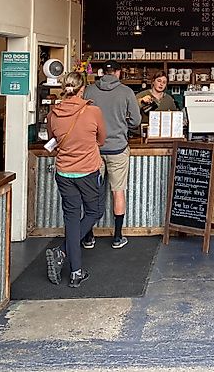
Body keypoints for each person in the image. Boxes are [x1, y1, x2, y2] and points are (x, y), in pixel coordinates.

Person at [45, 71, 106, 288]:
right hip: (88, 171)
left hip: (64, 172)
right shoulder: (93, 111)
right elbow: (102, 138)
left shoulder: (53, 114)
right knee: (94, 211)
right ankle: (62, 252)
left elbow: (52, 138)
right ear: (83, 89)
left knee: (71, 219)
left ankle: (76, 272)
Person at [83, 60, 142, 249]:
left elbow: (82, 115)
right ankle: (117, 237)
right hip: (118, 148)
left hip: (94, 149)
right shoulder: (126, 92)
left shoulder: (89, 91)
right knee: (118, 191)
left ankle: (88, 236)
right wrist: (121, 122)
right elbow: (136, 121)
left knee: (91, 192)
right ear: (118, 73)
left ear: (102, 72)